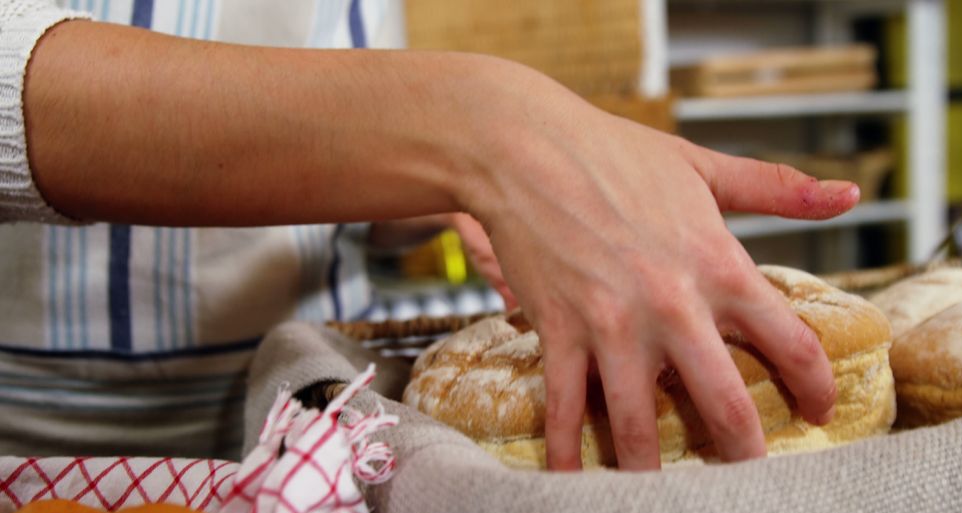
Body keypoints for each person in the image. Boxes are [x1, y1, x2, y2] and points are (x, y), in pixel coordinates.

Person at [0, 0, 858, 471]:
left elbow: (323, 155)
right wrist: (483, 131)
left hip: (322, 437)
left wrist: (452, 197)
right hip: (34, 449)